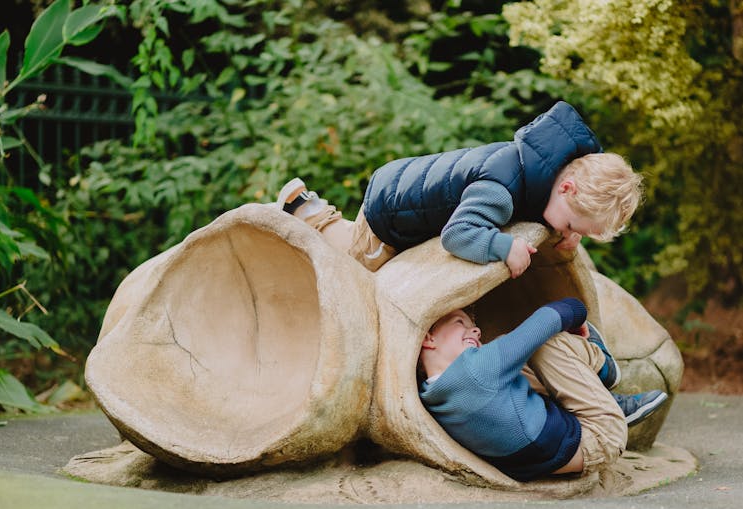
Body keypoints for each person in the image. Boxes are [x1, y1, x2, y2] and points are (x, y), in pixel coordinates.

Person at [272, 100, 643, 277]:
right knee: (362, 259)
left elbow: (561, 209)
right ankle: (304, 211)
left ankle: (310, 209)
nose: (567, 232)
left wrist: (573, 229)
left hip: (412, 185)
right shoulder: (501, 189)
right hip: (392, 207)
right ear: (566, 187)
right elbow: (458, 235)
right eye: (573, 225)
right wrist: (504, 247)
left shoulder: (542, 170)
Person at [416, 298, 668, 482]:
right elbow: (550, 316)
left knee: (512, 359)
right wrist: (578, 316)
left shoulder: (430, 396)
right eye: (461, 322)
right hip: (602, 436)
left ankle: (601, 399)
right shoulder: (477, 369)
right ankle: (603, 367)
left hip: (545, 462)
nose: (477, 330)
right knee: (547, 342)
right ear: (428, 338)